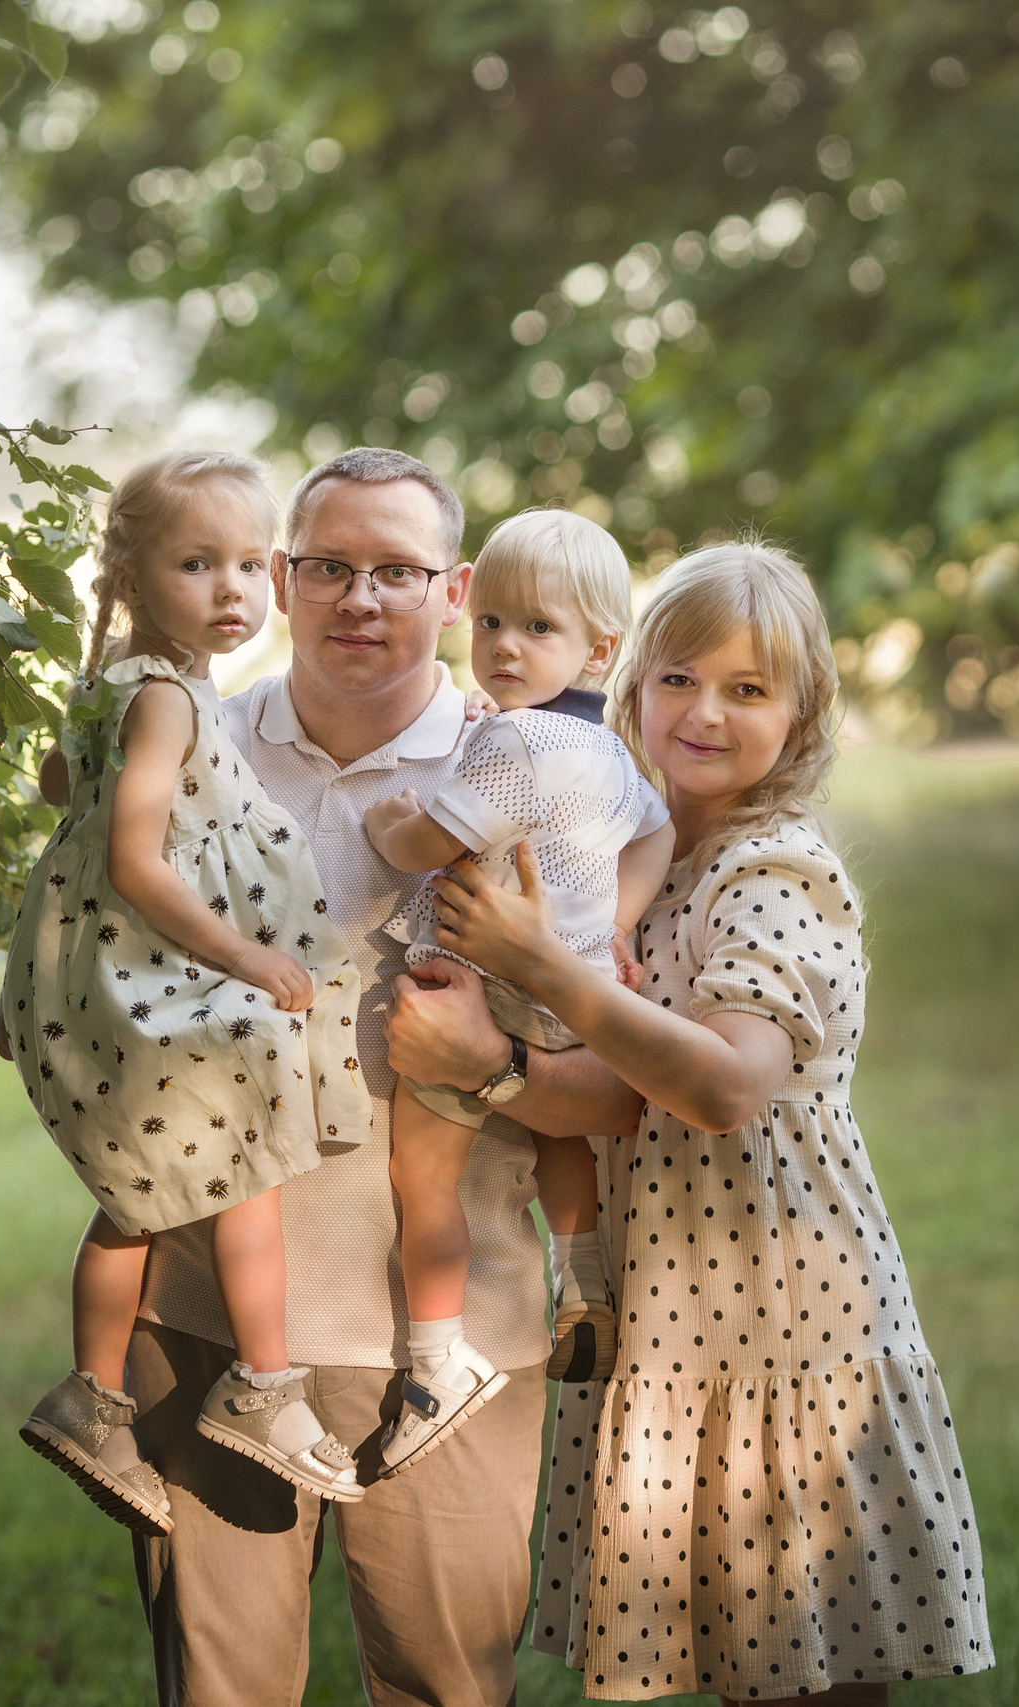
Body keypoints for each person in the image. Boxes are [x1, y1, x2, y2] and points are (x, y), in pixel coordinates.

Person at [424, 542, 996, 1703]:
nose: (704, 713)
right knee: (744, 1668)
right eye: (678, 678)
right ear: (629, 684)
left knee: (804, 1672)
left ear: (802, 716)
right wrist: (489, 1070)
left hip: (785, 1320)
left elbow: (724, 1088)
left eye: (748, 690)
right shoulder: (646, 854)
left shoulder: (775, 871)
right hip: (676, 1315)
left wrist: (542, 965)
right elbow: (620, 1098)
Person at [121, 449, 643, 1707]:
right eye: (331, 567)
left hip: (447, 1350)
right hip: (208, 1320)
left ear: (454, 590)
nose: (362, 597)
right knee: (219, 1692)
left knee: (446, 1691)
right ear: (284, 579)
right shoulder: (188, 741)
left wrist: (496, 1064)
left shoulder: (522, 769)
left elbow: (623, 1091)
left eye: (398, 571)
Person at [2, 450, 373, 1534]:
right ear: (128, 574)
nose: (232, 592)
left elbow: (55, 796)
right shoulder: (163, 698)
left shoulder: (113, 684)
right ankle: (264, 1388)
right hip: (163, 979)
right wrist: (246, 958)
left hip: (109, 979)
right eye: (196, 563)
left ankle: (91, 1398)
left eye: (252, 565)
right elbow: (131, 859)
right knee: (247, 1171)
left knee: (135, 1202)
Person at [360, 507, 673, 1473]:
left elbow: (426, 845)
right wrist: (611, 927)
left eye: (536, 628)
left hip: (481, 985)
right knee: (558, 1140)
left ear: (598, 646)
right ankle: (583, 1286)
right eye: (489, 620)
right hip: (568, 989)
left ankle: (434, 1361)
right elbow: (657, 833)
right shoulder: (615, 752)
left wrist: (388, 817)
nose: (501, 645)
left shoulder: (513, 746)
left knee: (424, 1177)